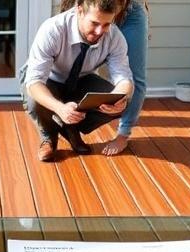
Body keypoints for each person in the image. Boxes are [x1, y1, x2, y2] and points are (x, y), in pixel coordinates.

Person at [21, 0, 134, 162]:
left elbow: (124, 78)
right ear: (79, 11)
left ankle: (70, 127)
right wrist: (60, 108)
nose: (99, 31)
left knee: (123, 101)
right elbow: (34, 82)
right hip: (48, 79)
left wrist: (119, 97)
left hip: (80, 80)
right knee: (34, 100)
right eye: (94, 23)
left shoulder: (115, 37)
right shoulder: (53, 29)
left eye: (106, 24)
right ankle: (48, 136)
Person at [62, 0, 149, 156]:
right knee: (83, 70)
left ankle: (123, 134)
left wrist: (122, 98)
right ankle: (70, 122)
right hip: (94, 7)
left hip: (128, 11)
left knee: (133, 78)